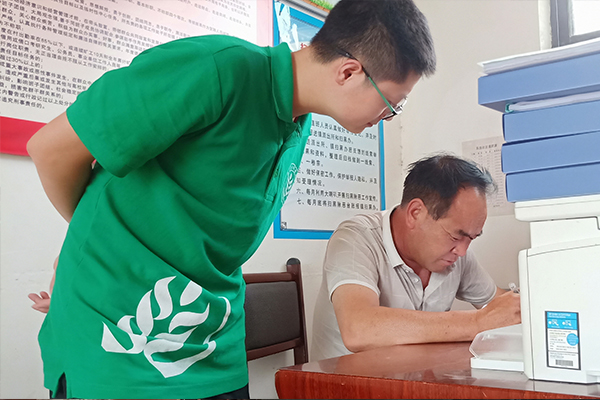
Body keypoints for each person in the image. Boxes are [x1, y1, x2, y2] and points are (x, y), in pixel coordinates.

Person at [26, 0, 436, 398]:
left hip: (212, 340)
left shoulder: (297, 124)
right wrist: (89, 248)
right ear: (349, 72)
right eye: (391, 104)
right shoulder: (217, 68)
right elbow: (52, 150)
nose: (386, 118)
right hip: (119, 342)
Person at [311, 154, 521, 361]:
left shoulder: (457, 254)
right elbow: (358, 329)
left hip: (414, 376)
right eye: (456, 236)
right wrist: (477, 322)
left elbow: (499, 304)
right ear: (416, 213)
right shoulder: (356, 238)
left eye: (471, 238)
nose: (463, 251)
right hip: (345, 379)